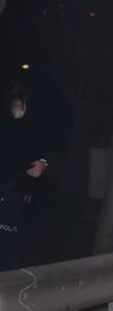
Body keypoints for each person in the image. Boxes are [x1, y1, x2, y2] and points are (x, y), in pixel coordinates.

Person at [0, 92, 49, 271]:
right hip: (8, 194)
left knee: (9, 255)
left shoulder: (27, 131)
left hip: (15, 199)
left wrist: (43, 163)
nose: (22, 108)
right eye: (19, 103)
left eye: (25, 105)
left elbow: (39, 158)